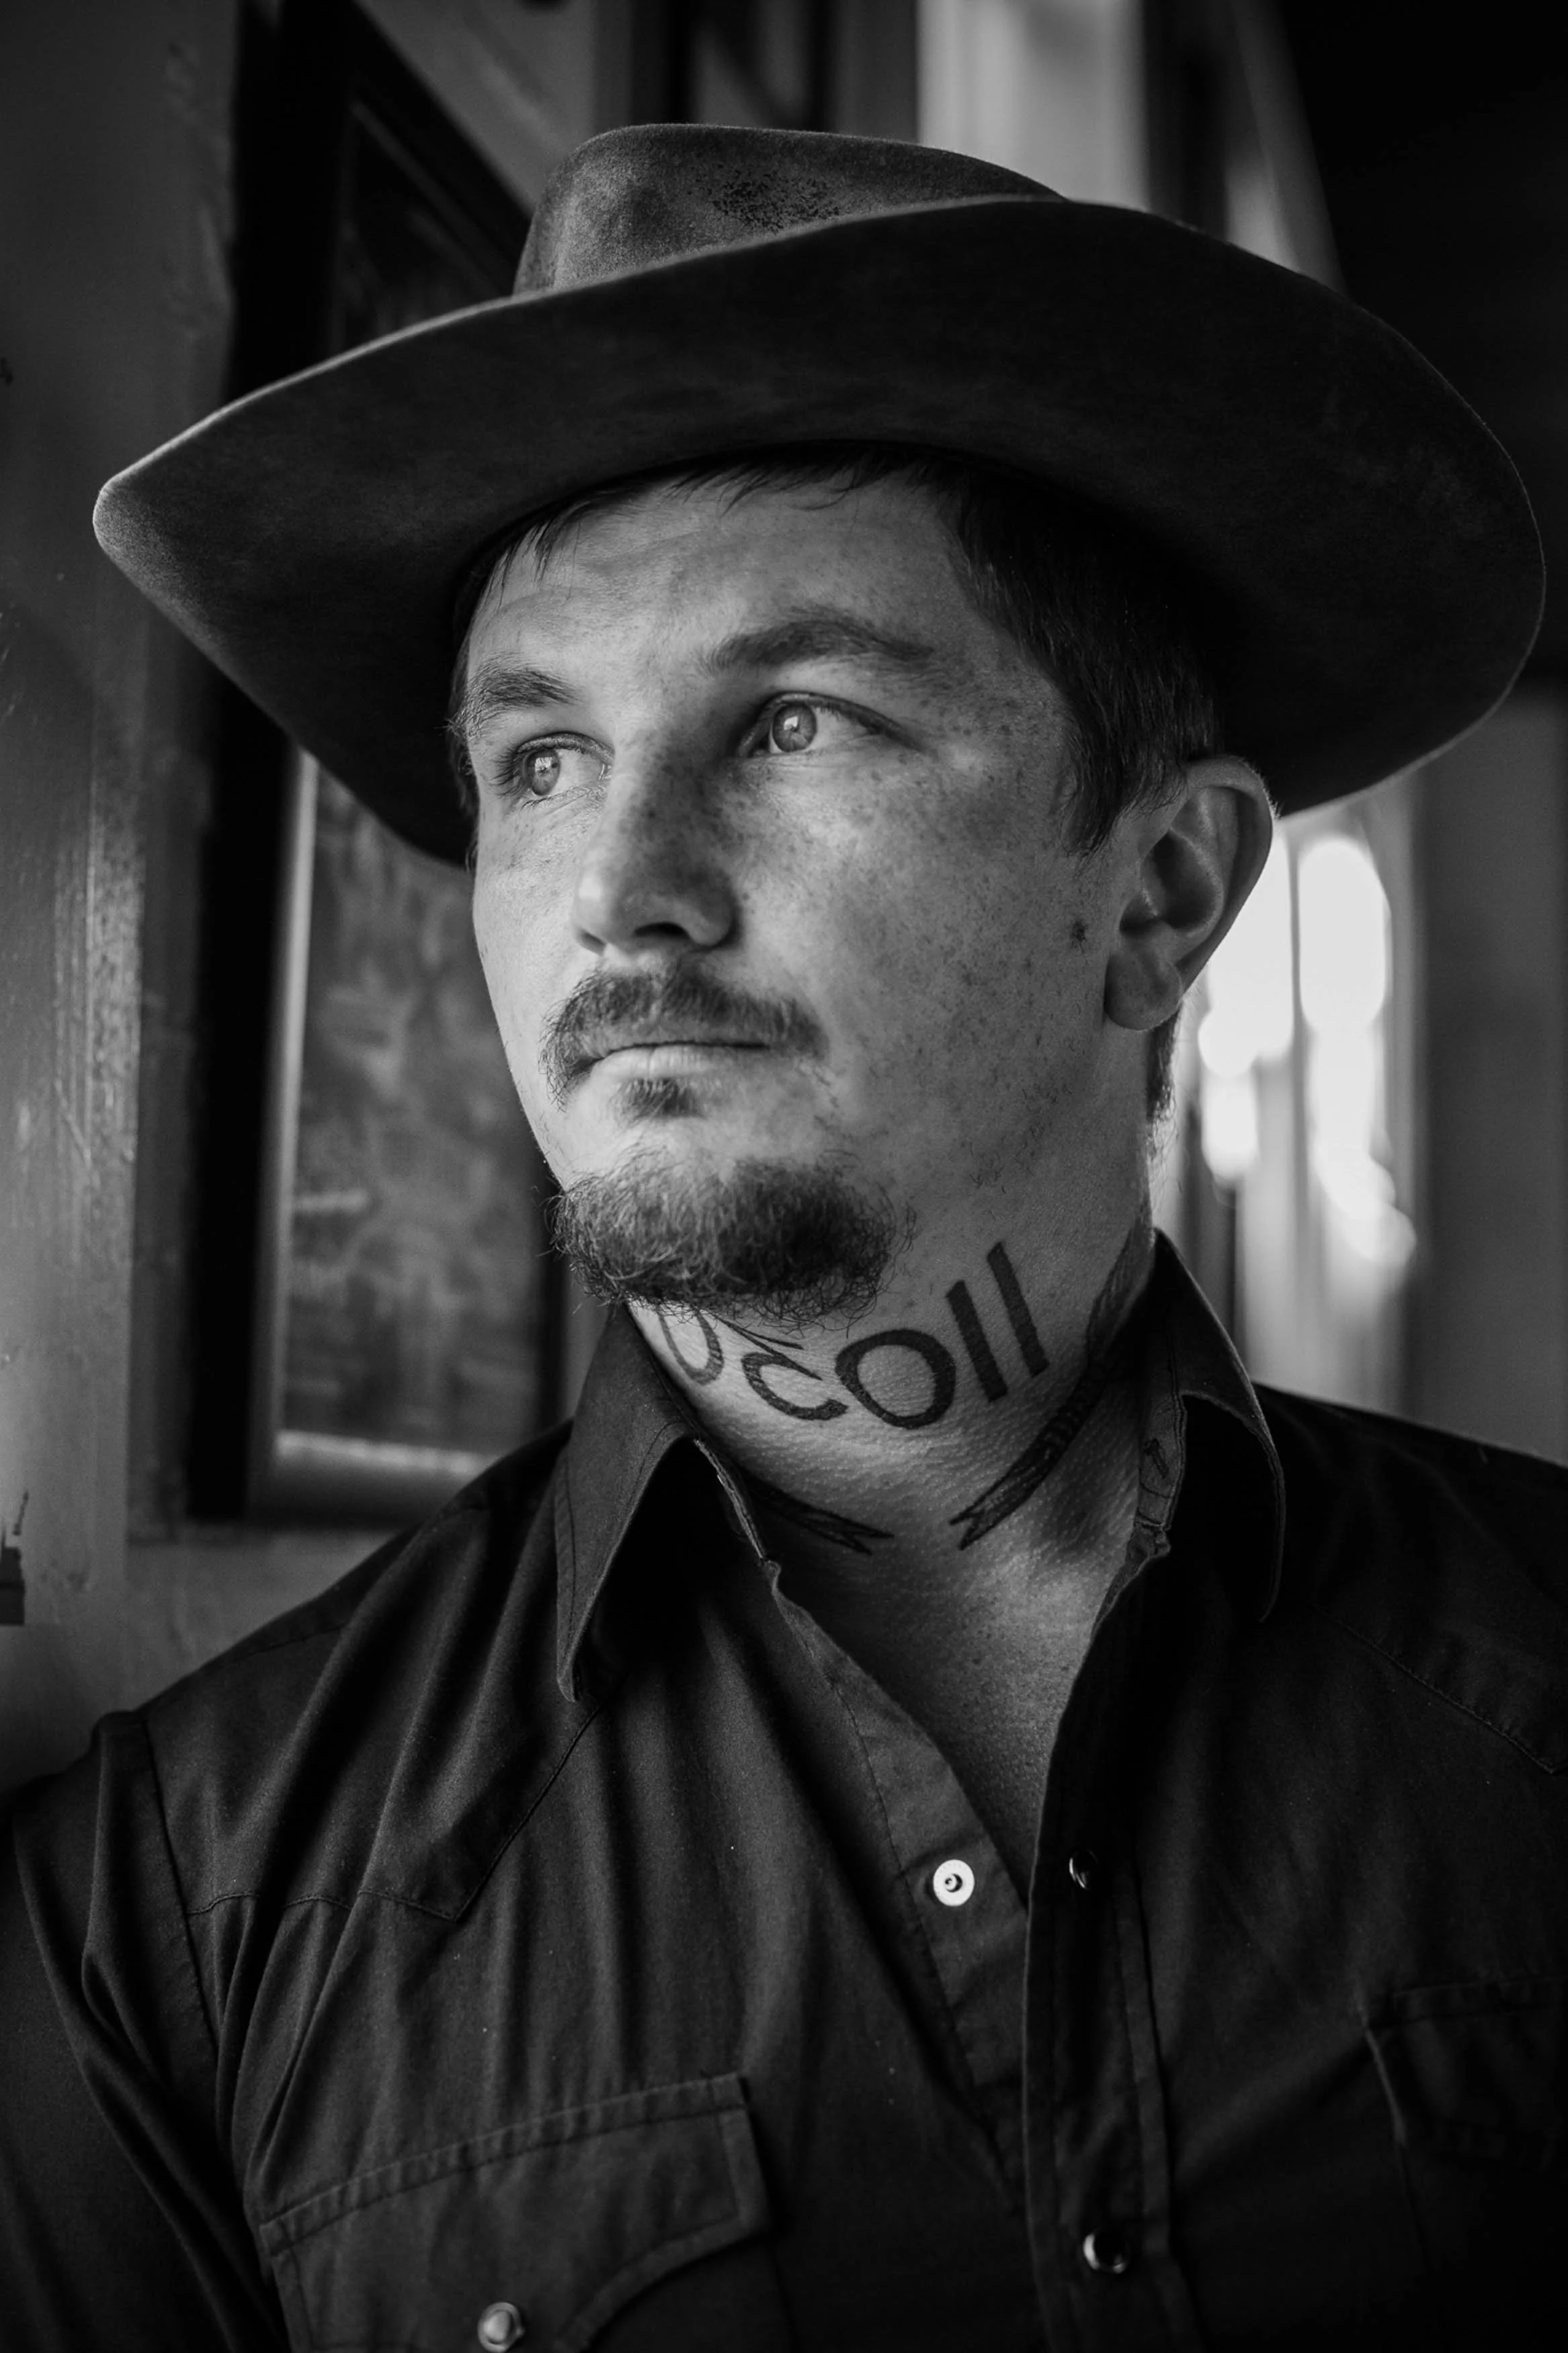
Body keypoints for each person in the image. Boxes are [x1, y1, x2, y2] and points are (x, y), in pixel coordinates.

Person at [3, 123, 1564, 2353]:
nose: (622, 885)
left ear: (1163, 891)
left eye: (796, 718)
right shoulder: (179, 1914)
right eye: (535, 759)